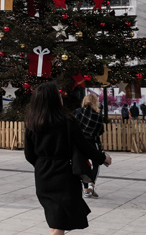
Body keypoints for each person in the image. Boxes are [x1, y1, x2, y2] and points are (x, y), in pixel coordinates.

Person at [24, 82, 111, 235]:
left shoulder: (32, 122)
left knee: (54, 218)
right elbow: (84, 146)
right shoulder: (67, 121)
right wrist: (103, 158)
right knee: (58, 221)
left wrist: (42, 165)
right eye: (58, 94)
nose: (61, 96)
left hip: (42, 175)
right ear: (53, 99)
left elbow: (29, 154)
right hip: (64, 174)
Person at [74, 94, 104, 198]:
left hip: (81, 143)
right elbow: (101, 131)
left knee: (84, 166)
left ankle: (86, 189)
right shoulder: (98, 115)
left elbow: (73, 126)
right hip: (93, 143)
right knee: (96, 164)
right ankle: (92, 184)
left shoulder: (78, 112)